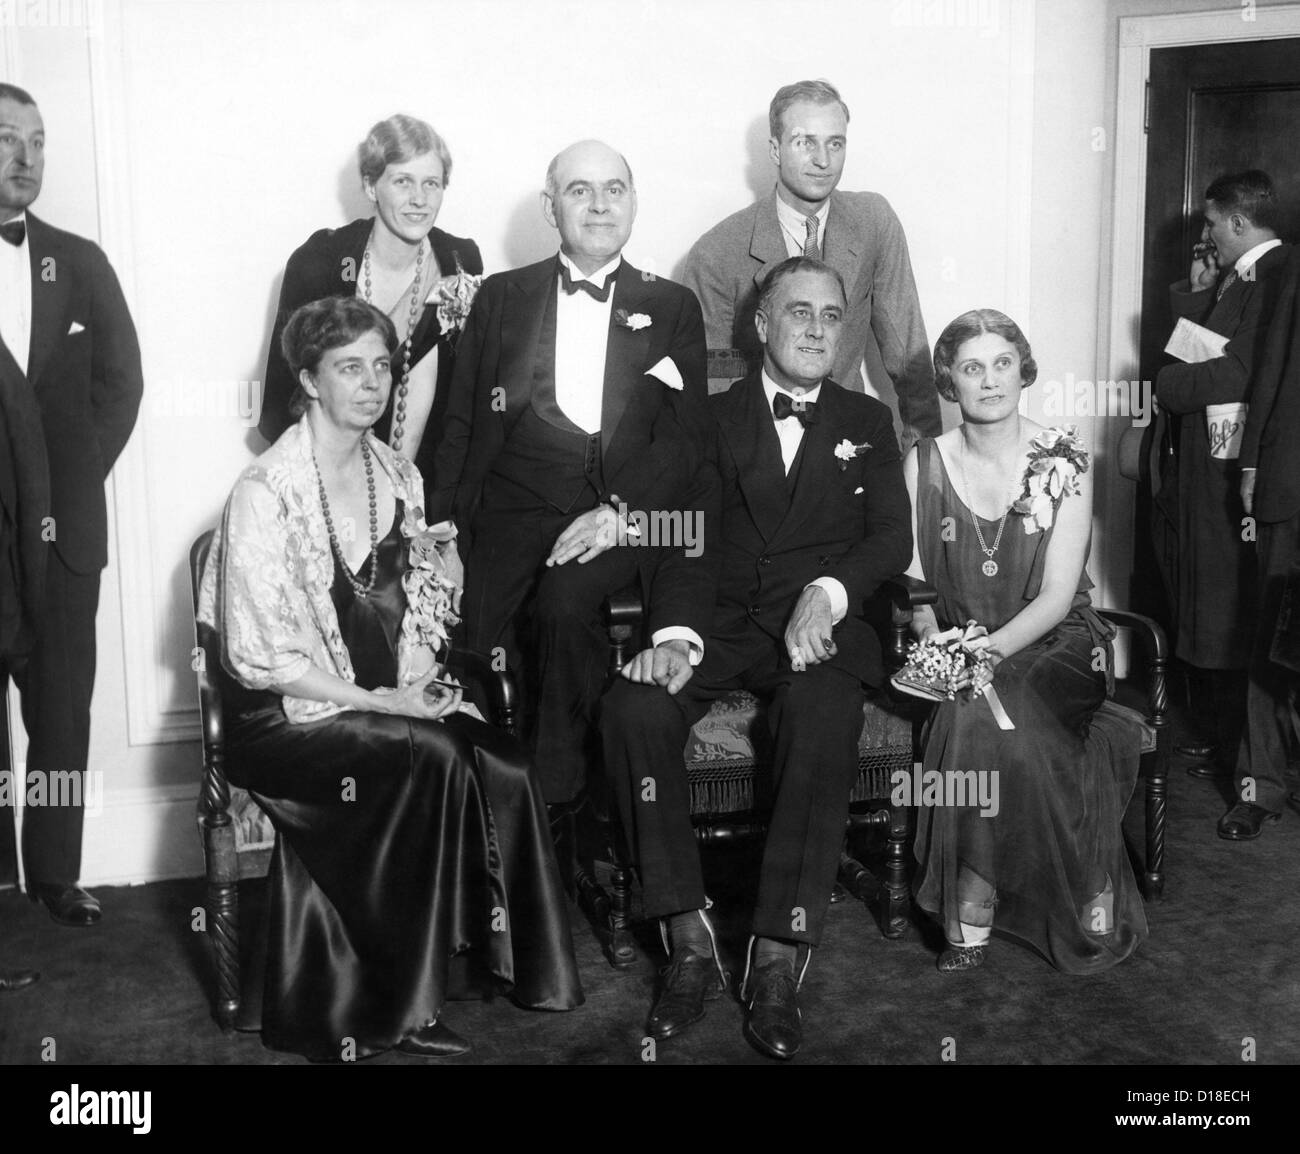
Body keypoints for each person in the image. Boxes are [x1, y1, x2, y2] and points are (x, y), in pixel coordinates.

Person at [197, 296, 582, 1061]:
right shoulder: (266, 491)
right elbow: (263, 660)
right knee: (426, 754)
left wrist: (422, 683)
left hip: (381, 697)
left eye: (381, 366)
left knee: (500, 756)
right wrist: (382, 703)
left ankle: (512, 968)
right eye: (349, 369)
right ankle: (398, 1006)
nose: (371, 384)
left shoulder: (399, 475)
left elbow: (412, 612)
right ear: (308, 380)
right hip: (284, 718)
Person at [601, 257, 911, 1060]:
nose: (815, 328)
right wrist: (674, 638)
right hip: (720, 626)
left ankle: (778, 952)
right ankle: (688, 937)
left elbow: (889, 538)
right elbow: (683, 538)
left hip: (818, 632)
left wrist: (833, 592)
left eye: (830, 315)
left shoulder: (869, 423)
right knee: (631, 707)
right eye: (797, 312)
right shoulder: (707, 417)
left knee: (822, 708)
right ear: (761, 324)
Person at [429, 139, 711, 805]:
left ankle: (554, 820)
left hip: (621, 511)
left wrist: (621, 513)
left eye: (614, 188)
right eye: (580, 190)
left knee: (560, 608)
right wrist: (443, 532)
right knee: (476, 635)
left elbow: (683, 440)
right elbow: (461, 425)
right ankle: (483, 832)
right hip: (512, 506)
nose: (599, 204)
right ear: (550, 208)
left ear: (634, 203)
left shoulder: (671, 306)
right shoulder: (500, 297)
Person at [904, 309, 1147, 974]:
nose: (990, 380)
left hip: (1061, 643)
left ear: (1024, 370)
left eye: (1003, 363)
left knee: (982, 706)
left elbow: (1055, 594)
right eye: (972, 367)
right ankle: (1041, 885)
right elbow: (916, 585)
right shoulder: (923, 462)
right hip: (967, 645)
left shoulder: (1062, 458)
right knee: (974, 714)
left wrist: (981, 653)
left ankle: (977, 902)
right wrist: (935, 641)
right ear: (949, 379)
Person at [0, 83, 143, 927]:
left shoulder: (79, 261)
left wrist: (66, 481)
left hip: (64, 536)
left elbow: (121, 386)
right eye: (8, 139)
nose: (27, 158)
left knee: (60, 708)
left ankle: (55, 874)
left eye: (40, 142)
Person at [683, 79, 940, 447]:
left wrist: (923, 465)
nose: (823, 161)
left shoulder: (874, 221)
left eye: (835, 144)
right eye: (806, 143)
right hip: (756, 452)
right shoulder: (716, 252)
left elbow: (910, 358)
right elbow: (711, 387)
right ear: (775, 149)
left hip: (850, 449)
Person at [258, 114, 482, 503]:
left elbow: (464, 404)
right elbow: (282, 406)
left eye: (431, 183)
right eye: (402, 181)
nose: (419, 199)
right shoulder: (320, 263)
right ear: (370, 186)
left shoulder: (460, 261)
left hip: (422, 495)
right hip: (323, 491)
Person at [1152, 171, 1290, 787]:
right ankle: (1226, 738)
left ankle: (1252, 768)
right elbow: (1204, 344)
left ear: (1238, 222)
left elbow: (1235, 370)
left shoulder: (1279, 273)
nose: (1204, 233)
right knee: (1217, 608)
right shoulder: (1242, 277)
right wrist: (1199, 292)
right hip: (1210, 472)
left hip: (1241, 472)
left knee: (1243, 615)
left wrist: (1166, 388)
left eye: (1211, 223)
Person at [1228, 243, 1300, 839]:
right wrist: (1251, 463)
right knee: (1272, 634)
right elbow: (1272, 362)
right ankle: (1260, 786)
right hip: (1292, 481)